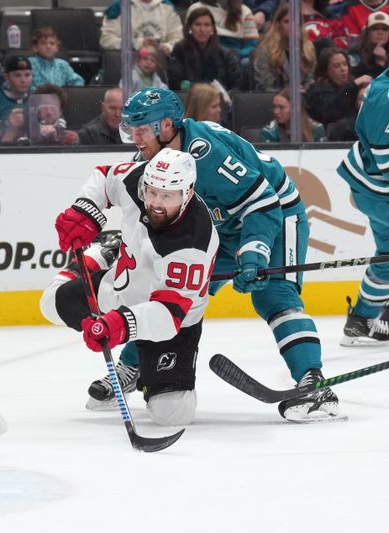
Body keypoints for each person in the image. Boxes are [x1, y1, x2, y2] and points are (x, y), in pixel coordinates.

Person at [113, 87, 341, 422]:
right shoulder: (151, 164)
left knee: (275, 295)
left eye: (142, 129)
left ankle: (314, 383)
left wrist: (254, 253)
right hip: (221, 226)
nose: (135, 137)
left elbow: (261, 203)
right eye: (131, 128)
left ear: (165, 126)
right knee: (176, 291)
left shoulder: (205, 153)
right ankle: (132, 366)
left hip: (275, 213)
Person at [40, 148, 219, 426]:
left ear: (188, 192)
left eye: (168, 195)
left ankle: (140, 371)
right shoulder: (137, 180)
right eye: (152, 192)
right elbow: (103, 176)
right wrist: (83, 211)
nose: (157, 203)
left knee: (171, 414)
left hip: (172, 323)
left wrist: (120, 324)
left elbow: (168, 315)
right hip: (120, 288)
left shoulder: (193, 241)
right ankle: (96, 258)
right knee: (49, 305)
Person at [336, 68, 389, 345]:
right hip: (378, 189)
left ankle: (361, 318)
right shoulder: (385, 95)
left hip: (374, 186)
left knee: (388, 255)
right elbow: (385, 156)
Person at [167, 7, 241, 92]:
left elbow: (236, 86)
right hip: (189, 99)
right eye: (197, 24)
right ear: (190, 27)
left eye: (207, 25)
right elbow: (175, 82)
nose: (202, 29)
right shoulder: (179, 49)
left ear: (212, 28)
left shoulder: (225, 54)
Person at [252, 3, 317, 91]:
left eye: (295, 21)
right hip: (275, 99)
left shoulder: (308, 48)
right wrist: (288, 93)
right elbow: (265, 85)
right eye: (287, 22)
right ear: (278, 24)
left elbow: (310, 80)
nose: (292, 26)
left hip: (303, 98)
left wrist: (304, 91)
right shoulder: (265, 50)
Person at [306, 47, 372, 127]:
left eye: (345, 64)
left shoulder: (353, 86)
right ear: (326, 70)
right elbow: (331, 110)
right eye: (337, 66)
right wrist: (353, 86)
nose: (343, 69)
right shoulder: (318, 91)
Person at [186, 0, 260, 65]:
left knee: (246, 63)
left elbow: (251, 46)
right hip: (203, 55)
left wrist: (235, 55)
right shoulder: (196, 8)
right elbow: (188, 40)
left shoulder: (245, 11)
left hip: (234, 57)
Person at [99, 0, 183, 55]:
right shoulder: (118, 7)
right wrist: (136, 44)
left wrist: (168, 46)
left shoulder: (168, 7)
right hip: (128, 63)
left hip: (160, 62)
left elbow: (178, 39)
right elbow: (106, 39)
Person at [28, 26, 85, 93]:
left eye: (52, 43)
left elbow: (78, 81)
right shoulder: (29, 63)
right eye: (43, 43)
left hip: (59, 99)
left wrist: (67, 93)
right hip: (36, 99)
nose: (48, 46)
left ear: (57, 48)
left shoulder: (62, 65)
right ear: (35, 47)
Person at [260, 88, 325, 143]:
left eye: (281, 107)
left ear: (296, 108)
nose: (276, 112)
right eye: (274, 107)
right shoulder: (269, 132)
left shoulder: (317, 129)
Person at [352, 11, 389, 78]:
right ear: (367, 32)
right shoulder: (355, 52)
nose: (380, 32)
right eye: (375, 29)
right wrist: (380, 65)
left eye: (384, 29)